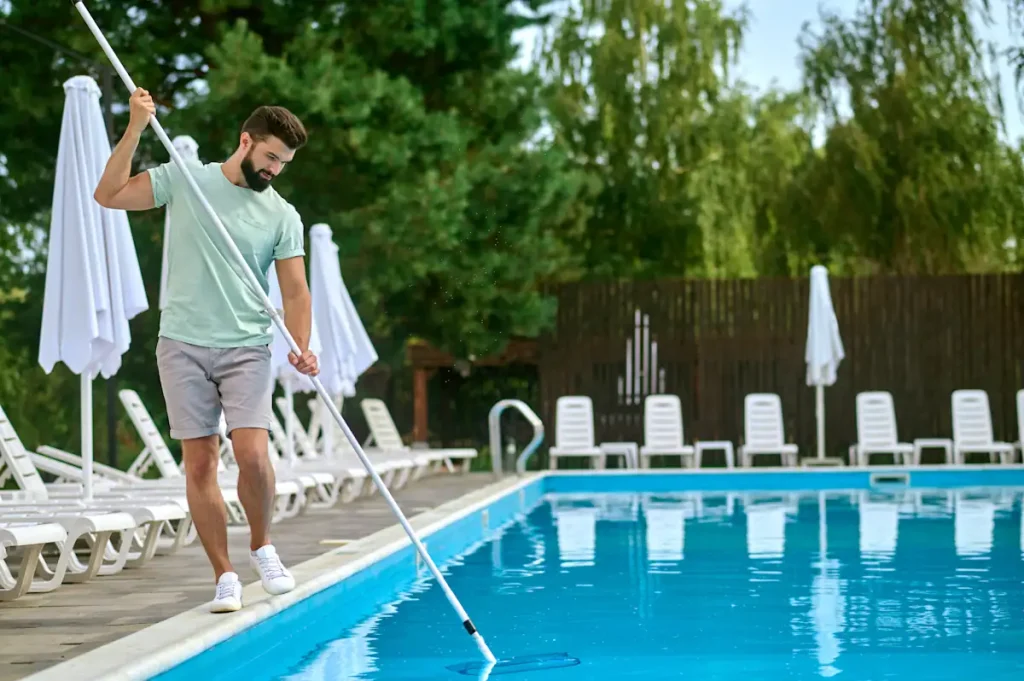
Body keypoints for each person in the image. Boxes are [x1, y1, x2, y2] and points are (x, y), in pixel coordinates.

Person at [94, 87, 319, 613]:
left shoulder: (283, 216)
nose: (275, 171)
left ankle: (262, 545)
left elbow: (296, 292)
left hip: (246, 345)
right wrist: (134, 130)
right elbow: (108, 195)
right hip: (183, 344)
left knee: (254, 456)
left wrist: (302, 347)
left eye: (284, 163)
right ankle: (224, 576)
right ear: (246, 141)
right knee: (199, 465)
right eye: (270, 157)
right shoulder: (186, 178)